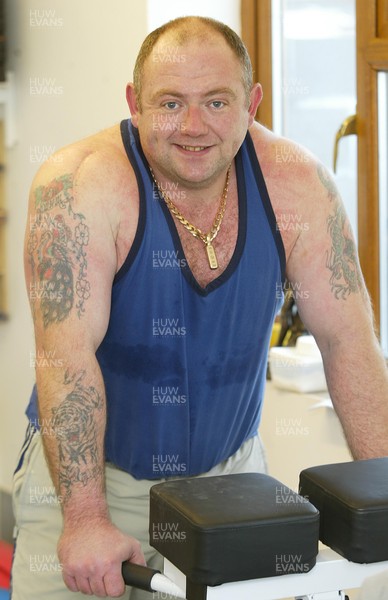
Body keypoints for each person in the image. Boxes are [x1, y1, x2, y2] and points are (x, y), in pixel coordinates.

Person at [12, 15, 388, 600]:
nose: (194, 127)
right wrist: (86, 520)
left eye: (217, 101)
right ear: (135, 103)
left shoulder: (299, 186)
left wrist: (383, 493)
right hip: (89, 486)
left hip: (232, 482)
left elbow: (349, 341)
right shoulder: (81, 185)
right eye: (170, 104)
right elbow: (66, 360)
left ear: (252, 102)